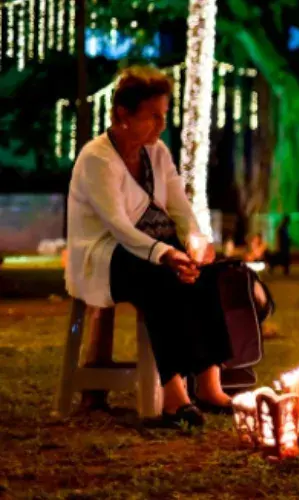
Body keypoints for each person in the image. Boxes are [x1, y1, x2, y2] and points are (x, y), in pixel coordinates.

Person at [65, 65, 232, 427]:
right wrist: (166, 255)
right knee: (159, 279)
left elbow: (179, 208)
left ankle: (209, 384)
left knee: (208, 274)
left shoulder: (156, 153)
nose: (160, 125)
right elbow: (119, 227)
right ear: (123, 114)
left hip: (154, 250)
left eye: (163, 116)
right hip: (106, 255)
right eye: (152, 116)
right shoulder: (97, 159)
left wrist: (194, 245)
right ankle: (173, 394)